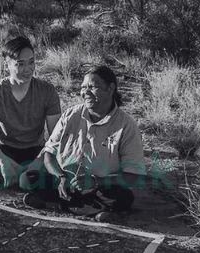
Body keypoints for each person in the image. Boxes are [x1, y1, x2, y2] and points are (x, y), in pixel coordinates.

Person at [24, 65, 148, 222]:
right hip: (65, 182)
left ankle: (60, 204)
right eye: (83, 87)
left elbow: (134, 176)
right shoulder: (70, 115)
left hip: (100, 188)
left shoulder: (126, 126)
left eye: (92, 87)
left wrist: (96, 181)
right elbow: (49, 153)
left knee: (124, 196)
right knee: (31, 178)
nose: (85, 92)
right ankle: (89, 208)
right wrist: (61, 177)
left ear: (110, 89)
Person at [0, 36, 61, 189]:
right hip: (4, 150)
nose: (28, 69)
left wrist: (38, 162)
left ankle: (20, 175)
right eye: (20, 64)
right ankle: (17, 173)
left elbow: (56, 135)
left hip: (35, 151)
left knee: (60, 156)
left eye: (31, 62)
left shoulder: (47, 91)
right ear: (7, 64)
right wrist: (3, 161)